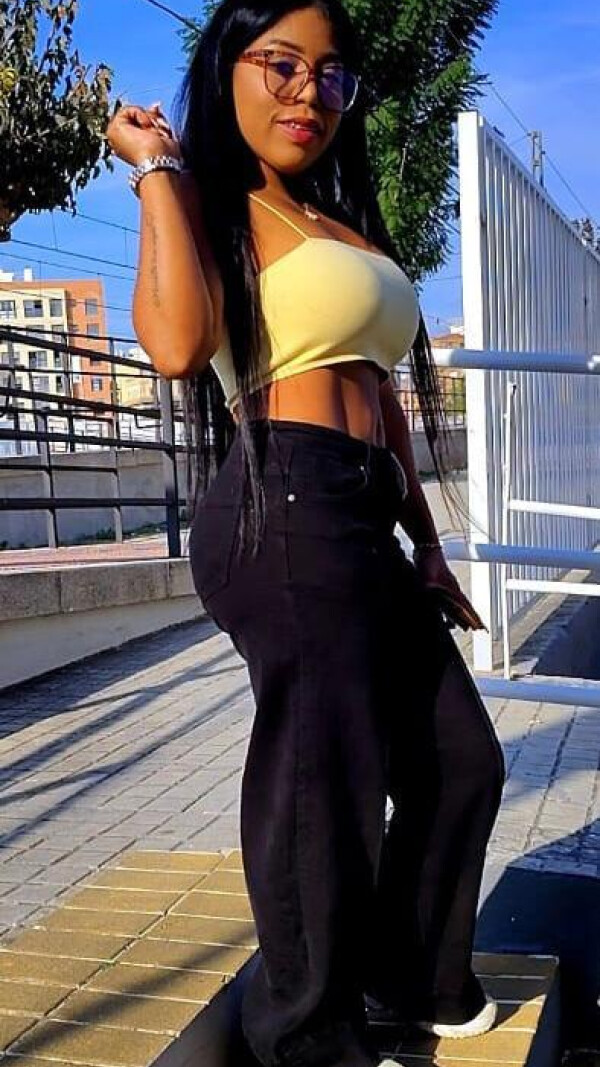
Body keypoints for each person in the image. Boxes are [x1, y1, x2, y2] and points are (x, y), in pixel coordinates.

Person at [106, 2, 506, 1065]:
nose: (307, 94)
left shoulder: (336, 222)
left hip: (363, 510)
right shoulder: (211, 206)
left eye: (330, 75)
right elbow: (178, 346)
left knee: (459, 759)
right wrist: (155, 170)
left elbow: (381, 395)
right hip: (281, 498)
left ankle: (407, 978)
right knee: (320, 778)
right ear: (226, 70)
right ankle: (303, 1033)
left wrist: (426, 542)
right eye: (280, 64)